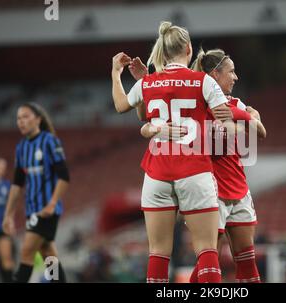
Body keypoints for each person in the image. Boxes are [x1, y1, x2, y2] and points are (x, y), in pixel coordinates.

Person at [111, 21, 233, 283]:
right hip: (194, 170)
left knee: (158, 253)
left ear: (162, 52)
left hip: (156, 173)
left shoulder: (148, 83)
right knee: (207, 250)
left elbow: (121, 105)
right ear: (188, 49)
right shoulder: (203, 81)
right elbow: (226, 116)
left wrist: (115, 72)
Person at [138, 48, 266, 282]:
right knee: (209, 257)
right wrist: (247, 121)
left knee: (246, 259)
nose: (236, 77)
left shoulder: (235, 103)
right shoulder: (198, 104)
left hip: (238, 189)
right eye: (232, 72)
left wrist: (250, 120)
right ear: (214, 75)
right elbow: (148, 124)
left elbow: (261, 132)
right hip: (211, 190)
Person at [2, 102, 69, 283]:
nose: (21, 121)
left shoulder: (49, 141)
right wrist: (8, 215)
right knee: (48, 254)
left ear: (38, 119)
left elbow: (64, 177)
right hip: (31, 210)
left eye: (25, 117)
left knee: (26, 252)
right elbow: (17, 184)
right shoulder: (21, 147)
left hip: (46, 210)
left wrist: (52, 203)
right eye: (18, 118)